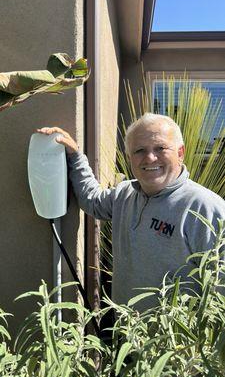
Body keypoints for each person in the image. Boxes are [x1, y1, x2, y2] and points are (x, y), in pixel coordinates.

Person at [37, 113, 225, 311]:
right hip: (127, 333)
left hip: (176, 340)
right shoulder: (124, 195)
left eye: (160, 148)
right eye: (140, 150)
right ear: (129, 158)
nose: (150, 158)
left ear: (180, 153)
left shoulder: (205, 207)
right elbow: (93, 201)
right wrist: (74, 156)